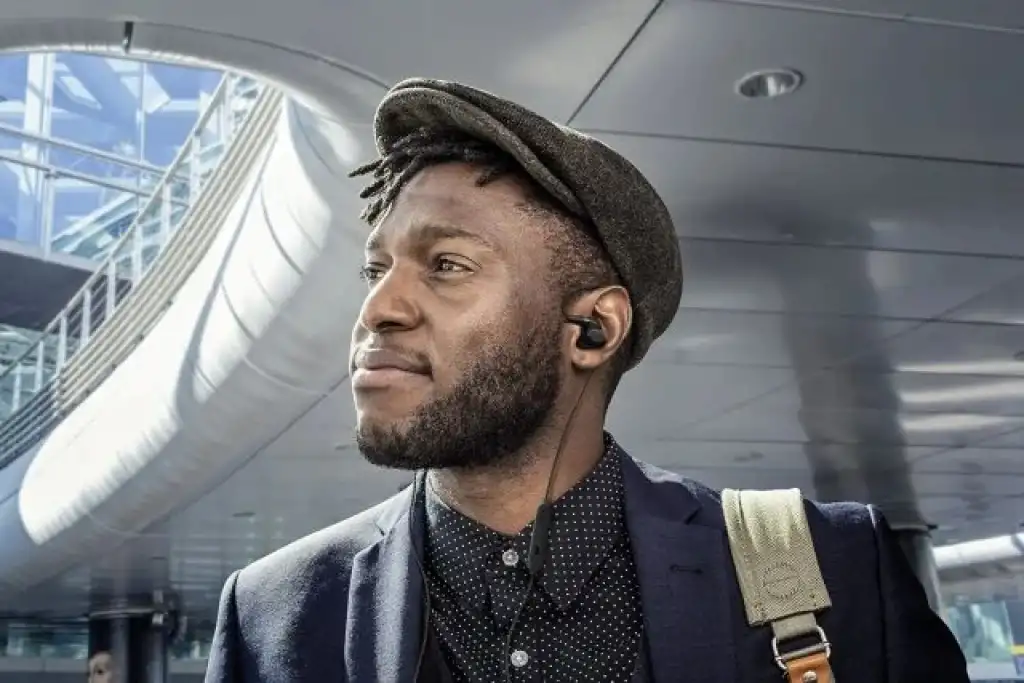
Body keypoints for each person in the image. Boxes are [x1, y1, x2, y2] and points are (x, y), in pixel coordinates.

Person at [205, 78, 968, 683]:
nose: (378, 307)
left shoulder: (828, 567)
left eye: (447, 265)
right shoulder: (271, 615)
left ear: (593, 328)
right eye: (376, 268)